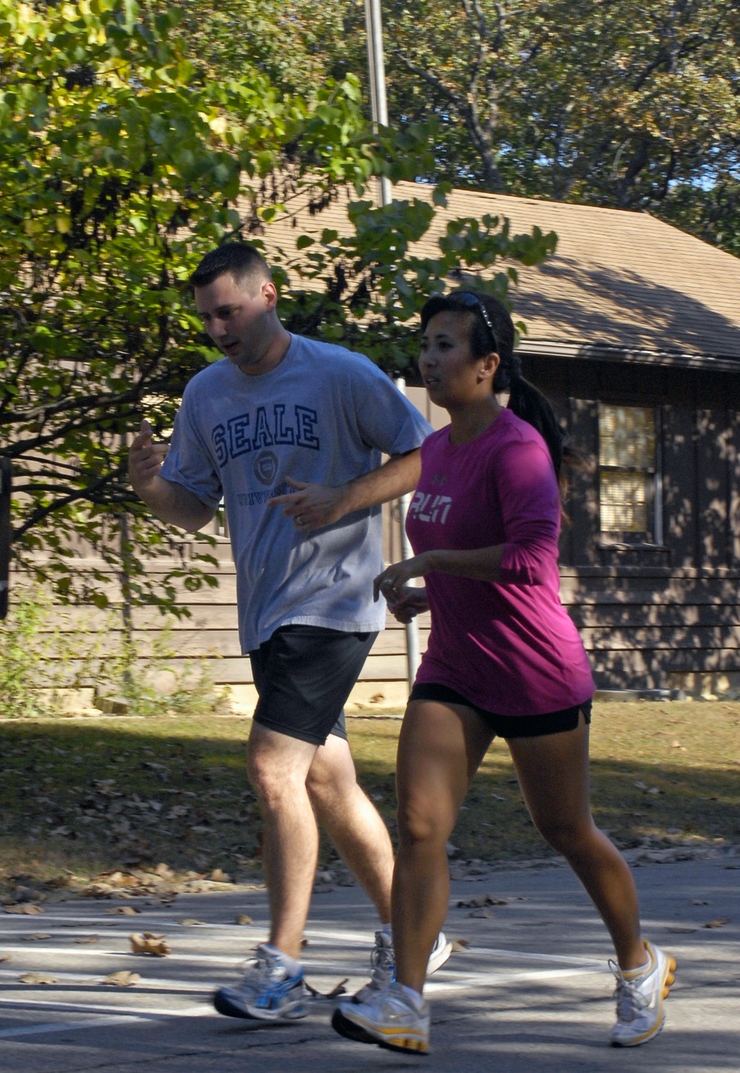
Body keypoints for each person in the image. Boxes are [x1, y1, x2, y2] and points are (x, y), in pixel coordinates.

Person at [332, 290, 675, 1055]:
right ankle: (406, 1002)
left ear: (487, 365)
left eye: (445, 346)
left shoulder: (517, 449)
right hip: (456, 667)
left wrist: (432, 562)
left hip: (533, 672)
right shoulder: (439, 449)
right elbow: (470, 559)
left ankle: (639, 965)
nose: (429, 359)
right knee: (420, 825)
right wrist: (431, 593)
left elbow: (528, 560)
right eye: (425, 344)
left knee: (566, 829)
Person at [128, 242, 452, 1022]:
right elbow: (194, 508)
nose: (217, 330)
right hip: (267, 612)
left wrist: (345, 497)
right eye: (206, 318)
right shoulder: (206, 394)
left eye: (228, 312)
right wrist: (150, 488)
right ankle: (415, 932)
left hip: (334, 605)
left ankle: (283, 967)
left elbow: (427, 456)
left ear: (268, 296)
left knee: (273, 769)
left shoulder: (339, 373)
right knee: (324, 782)